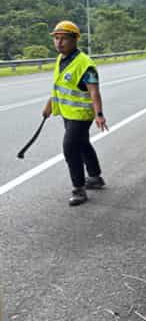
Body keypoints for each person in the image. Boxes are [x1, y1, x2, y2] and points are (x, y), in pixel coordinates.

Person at [41, 21, 109, 206]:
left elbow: (94, 91)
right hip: (67, 113)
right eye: (56, 38)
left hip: (81, 115)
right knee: (83, 144)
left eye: (63, 38)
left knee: (70, 148)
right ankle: (95, 177)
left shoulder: (85, 64)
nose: (59, 42)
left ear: (75, 40)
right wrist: (49, 105)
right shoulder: (61, 60)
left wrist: (99, 114)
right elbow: (59, 86)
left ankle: (79, 189)